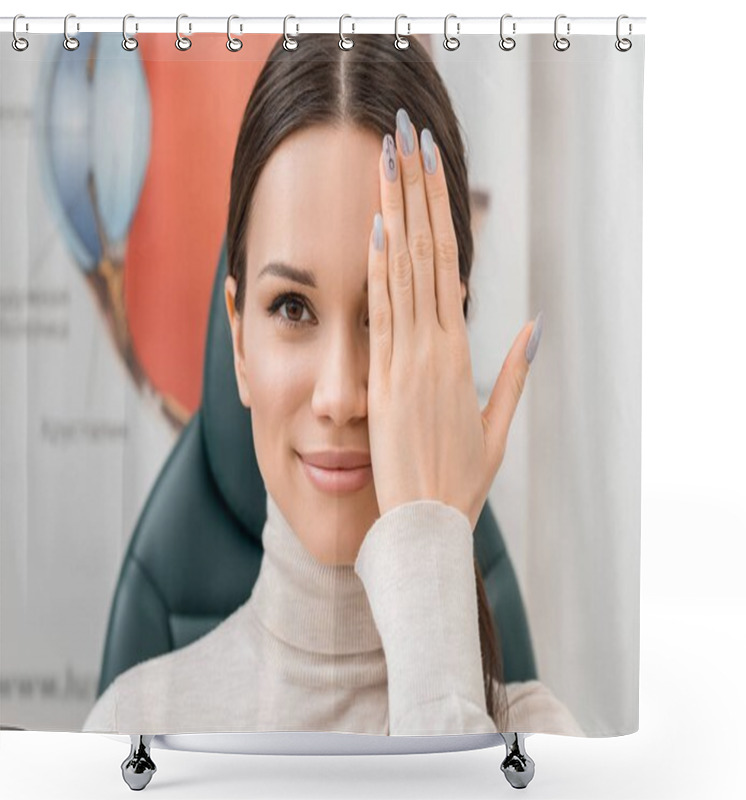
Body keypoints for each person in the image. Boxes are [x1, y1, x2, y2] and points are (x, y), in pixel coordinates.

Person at [82, 33, 584, 737]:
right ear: (239, 342)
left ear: (445, 348)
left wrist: (428, 600)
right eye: (292, 308)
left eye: (385, 314)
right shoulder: (131, 729)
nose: (342, 396)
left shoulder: (538, 741)